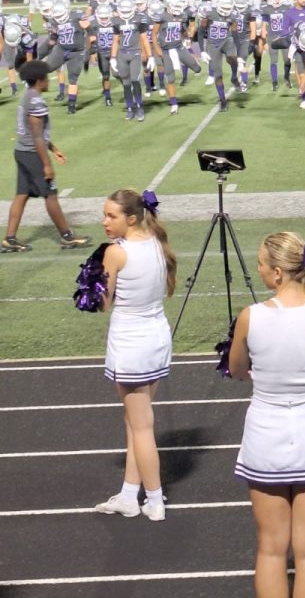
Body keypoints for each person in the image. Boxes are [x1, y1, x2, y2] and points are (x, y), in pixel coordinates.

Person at [228, 232, 305, 598]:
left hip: (266, 434)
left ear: (278, 273)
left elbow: (235, 370)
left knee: (270, 548)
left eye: (262, 264)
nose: (260, 270)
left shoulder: (251, 317)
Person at [94, 188, 176, 522]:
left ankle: (154, 499)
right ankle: (130, 494)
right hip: (156, 338)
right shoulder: (157, 242)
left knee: (141, 426)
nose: (104, 222)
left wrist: (93, 280)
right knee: (134, 421)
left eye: (111, 216)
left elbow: (102, 304)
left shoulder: (116, 253)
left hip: (131, 345)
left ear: (130, 218)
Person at [2, 60, 91, 252]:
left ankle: (9, 238)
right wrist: (47, 165)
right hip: (33, 153)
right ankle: (67, 237)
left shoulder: (28, 96)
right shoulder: (36, 100)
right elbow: (36, 136)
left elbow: (36, 133)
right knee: (50, 195)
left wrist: (54, 148)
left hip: (22, 151)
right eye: (45, 77)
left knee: (22, 195)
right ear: (39, 80)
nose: (48, 81)